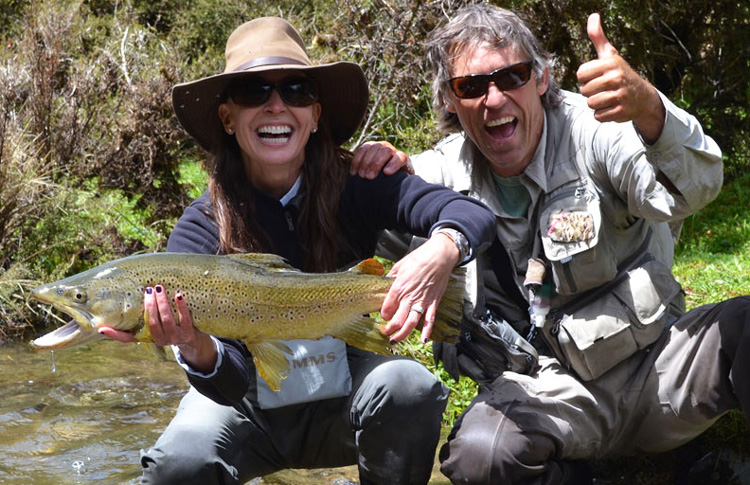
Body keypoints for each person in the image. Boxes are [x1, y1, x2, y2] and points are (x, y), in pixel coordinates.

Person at [354, 4, 750, 484]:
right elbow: (348, 213)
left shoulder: (597, 131)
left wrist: (651, 111)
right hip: (547, 394)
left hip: (661, 366)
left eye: (512, 76)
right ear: (449, 100)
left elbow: (691, 191)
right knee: (478, 456)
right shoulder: (442, 172)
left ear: (541, 78)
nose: (494, 99)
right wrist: (372, 170)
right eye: (471, 87)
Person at [98, 16, 497, 485]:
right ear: (227, 117)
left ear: (315, 115)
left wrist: (442, 249)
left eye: (295, 90)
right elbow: (225, 384)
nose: (276, 106)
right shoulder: (200, 230)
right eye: (252, 92)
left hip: (345, 395)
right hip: (246, 410)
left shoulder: (360, 184)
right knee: (179, 464)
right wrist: (194, 344)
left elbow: (471, 215)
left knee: (410, 387)